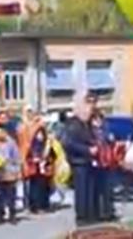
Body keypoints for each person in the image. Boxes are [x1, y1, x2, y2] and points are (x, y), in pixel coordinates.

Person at [62, 94, 99, 226]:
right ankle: (82, 217)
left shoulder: (87, 124)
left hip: (89, 162)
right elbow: (68, 143)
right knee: (82, 191)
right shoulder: (73, 124)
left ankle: (90, 215)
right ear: (81, 109)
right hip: (79, 162)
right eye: (88, 108)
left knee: (90, 190)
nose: (90, 111)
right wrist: (87, 150)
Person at [21, 124, 55, 214]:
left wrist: (48, 159)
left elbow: (53, 156)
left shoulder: (46, 145)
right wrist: (33, 159)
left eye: (42, 134)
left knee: (44, 188)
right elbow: (27, 157)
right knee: (35, 188)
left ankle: (44, 205)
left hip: (45, 170)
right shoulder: (32, 146)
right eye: (38, 134)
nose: (40, 136)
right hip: (35, 170)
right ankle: (35, 206)